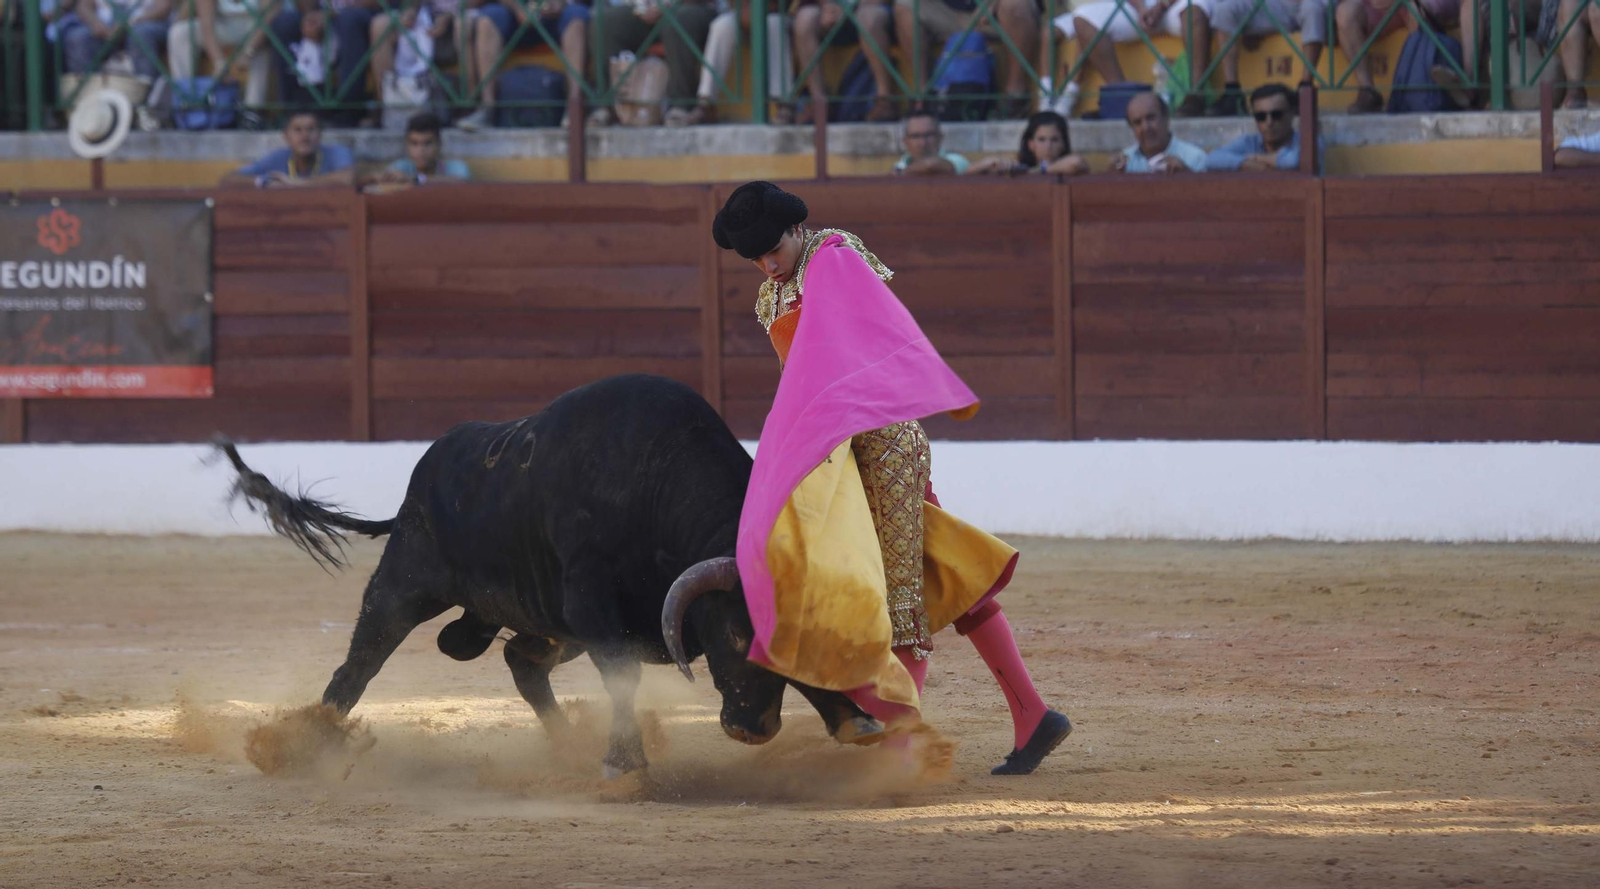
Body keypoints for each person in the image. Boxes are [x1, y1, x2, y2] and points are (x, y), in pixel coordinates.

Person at [711, 181, 1073, 777]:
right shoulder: (768, 296)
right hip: (841, 454)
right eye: (755, 258)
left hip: (884, 448)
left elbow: (858, 347)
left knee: (897, 594)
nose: (766, 264)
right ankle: (1033, 715)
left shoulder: (834, 256)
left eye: (772, 249)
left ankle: (902, 750)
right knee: (943, 570)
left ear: (796, 229)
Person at [1204, 83, 1326, 173]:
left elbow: (1294, 161)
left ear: (1292, 114)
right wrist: (1244, 164)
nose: (1269, 122)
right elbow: (1211, 159)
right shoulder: (1249, 142)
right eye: (1261, 116)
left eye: (1276, 115)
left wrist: (1256, 158)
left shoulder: (1310, 142)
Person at [220, 110, 355, 188]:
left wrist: (296, 183)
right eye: (298, 130)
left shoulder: (337, 152)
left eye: (311, 129)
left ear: (320, 135)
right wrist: (262, 182)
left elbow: (347, 178)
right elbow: (227, 180)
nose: (305, 136)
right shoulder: (278, 157)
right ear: (286, 136)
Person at [365, 111, 470, 189]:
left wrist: (416, 179)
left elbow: (462, 183)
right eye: (414, 143)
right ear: (407, 145)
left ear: (439, 144)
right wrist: (378, 178)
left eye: (427, 143)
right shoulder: (401, 167)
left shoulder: (456, 167)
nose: (420, 151)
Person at [968, 110, 1088, 176]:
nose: (1048, 146)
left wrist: (1036, 171)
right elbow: (968, 172)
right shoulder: (1019, 167)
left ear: (1063, 144)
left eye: (1054, 140)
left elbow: (1075, 163)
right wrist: (992, 163)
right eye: (1042, 139)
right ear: (1031, 144)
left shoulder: (1072, 165)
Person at [1110, 91, 1207, 173]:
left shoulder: (1195, 158)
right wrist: (1112, 175)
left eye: (1151, 118)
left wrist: (1185, 174)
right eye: (1137, 122)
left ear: (1166, 117)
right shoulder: (1125, 162)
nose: (1146, 128)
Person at [892, 108, 969, 176]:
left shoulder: (957, 160)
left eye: (928, 135)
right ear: (905, 141)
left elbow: (930, 165)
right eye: (915, 136)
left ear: (940, 137)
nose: (922, 143)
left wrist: (902, 172)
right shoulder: (899, 166)